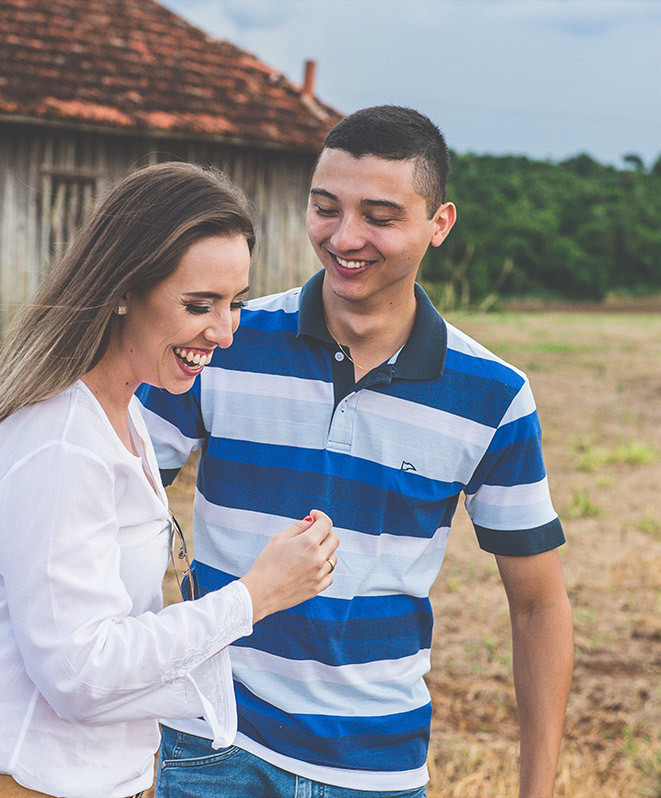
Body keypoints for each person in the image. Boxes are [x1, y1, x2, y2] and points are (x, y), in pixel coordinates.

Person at [138, 107, 573, 798]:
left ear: (440, 223)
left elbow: (539, 608)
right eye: (325, 208)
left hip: (377, 770)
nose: (345, 238)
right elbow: (110, 498)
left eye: (379, 215)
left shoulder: (494, 396)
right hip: (210, 741)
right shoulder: (223, 341)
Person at [0, 161, 340, 798]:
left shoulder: (120, 413)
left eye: (234, 303)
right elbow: (79, 671)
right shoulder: (58, 439)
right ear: (123, 288)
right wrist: (253, 596)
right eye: (198, 305)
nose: (226, 331)